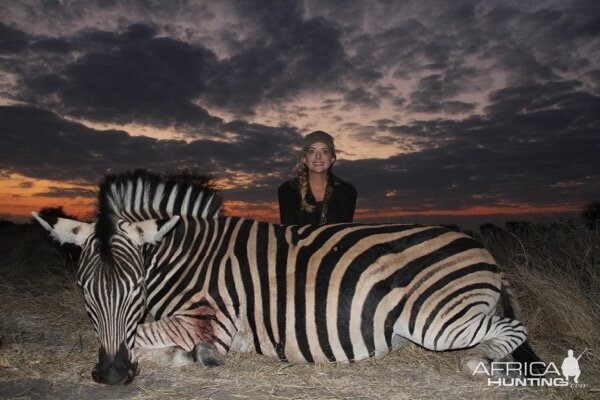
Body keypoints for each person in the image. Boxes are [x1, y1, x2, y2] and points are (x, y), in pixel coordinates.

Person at [278, 130, 357, 225]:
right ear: (304, 159)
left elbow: (343, 233)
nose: (318, 156)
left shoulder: (347, 191)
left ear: (332, 159)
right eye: (311, 151)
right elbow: (289, 234)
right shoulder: (287, 191)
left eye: (325, 151)